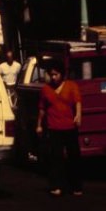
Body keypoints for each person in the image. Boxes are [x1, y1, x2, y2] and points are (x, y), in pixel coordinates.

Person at [36, 62, 82, 197]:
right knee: (56, 158)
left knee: (74, 157)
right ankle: (56, 186)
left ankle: (76, 186)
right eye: (52, 75)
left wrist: (78, 115)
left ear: (62, 75)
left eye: (56, 74)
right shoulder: (46, 89)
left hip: (69, 127)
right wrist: (39, 124)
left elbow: (77, 101)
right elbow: (42, 109)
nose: (54, 77)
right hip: (54, 127)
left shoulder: (71, 86)